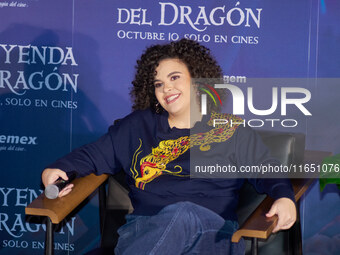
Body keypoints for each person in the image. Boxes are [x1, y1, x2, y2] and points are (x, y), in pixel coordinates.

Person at [42, 39, 296, 254]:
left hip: (214, 235)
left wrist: (284, 196)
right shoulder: (137, 126)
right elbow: (93, 155)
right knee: (175, 217)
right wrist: (58, 168)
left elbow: (267, 168)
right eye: (158, 84)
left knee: (183, 213)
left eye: (174, 77)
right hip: (143, 230)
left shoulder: (230, 129)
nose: (166, 88)